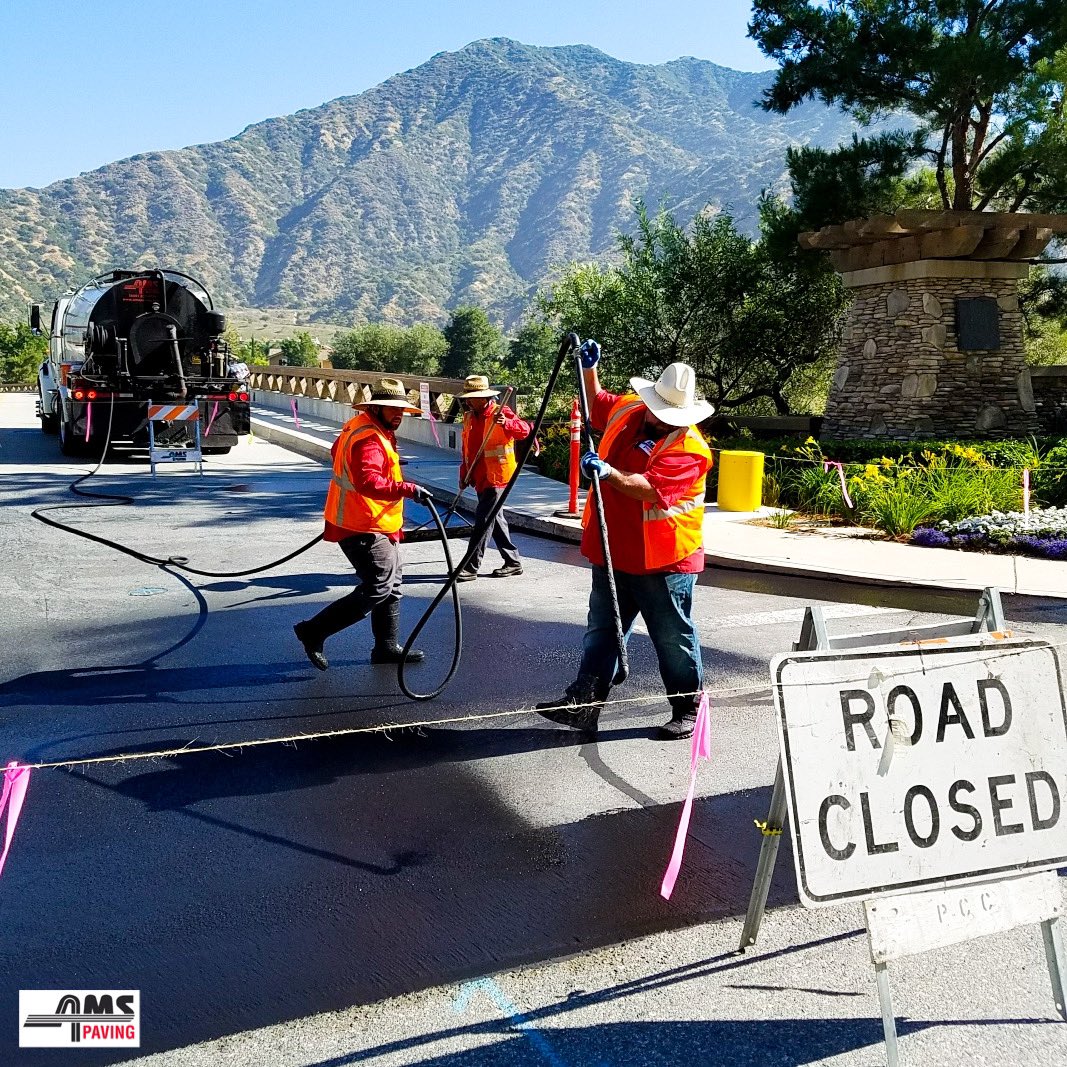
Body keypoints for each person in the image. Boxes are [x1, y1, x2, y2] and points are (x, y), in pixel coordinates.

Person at [535, 342, 714, 740]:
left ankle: (688, 707)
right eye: (656, 410)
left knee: (671, 636)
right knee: (602, 628)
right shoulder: (631, 408)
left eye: (667, 416)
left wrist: (608, 472)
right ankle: (584, 703)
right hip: (613, 549)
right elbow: (597, 403)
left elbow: (648, 488)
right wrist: (589, 370)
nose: (657, 418)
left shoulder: (689, 450)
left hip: (664, 560)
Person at [293, 377, 432, 671]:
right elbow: (368, 482)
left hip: (372, 520)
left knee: (391, 584)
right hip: (361, 523)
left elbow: (337, 456)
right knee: (379, 584)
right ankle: (314, 631)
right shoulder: (369, 437)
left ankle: (386, 647)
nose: (398, 415)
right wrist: (407, 488)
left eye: (401, 410)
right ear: (376, 408)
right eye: (391, 409)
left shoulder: (361, 428)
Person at [454, 374, 532, 582]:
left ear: (483, 397)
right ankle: (513, 561)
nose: (467, 401)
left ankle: (470, 567)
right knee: (495, 519)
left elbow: (524, 431)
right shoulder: (470, 416)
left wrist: (506, 423)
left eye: (471, 397)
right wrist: (464, 474)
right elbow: (467, 448)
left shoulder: (501, 412)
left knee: (484, 520)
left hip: (497, 477)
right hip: (480, 477)